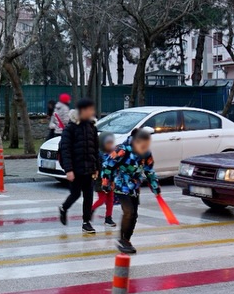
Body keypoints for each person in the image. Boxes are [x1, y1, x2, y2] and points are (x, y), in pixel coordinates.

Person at [100, 126, 160, 254]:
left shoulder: (146, 153)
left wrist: (155, 186)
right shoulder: (122, 150)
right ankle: (122, 240)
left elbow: (149, 170)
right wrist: (106, 182)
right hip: (121, 185)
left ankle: (126, 240)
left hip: (134, 187)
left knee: (134, 215)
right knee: (129, 212)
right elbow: (108, 165)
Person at [57, 97, 100, 234]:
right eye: (89, 109)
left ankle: (86, 222)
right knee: (75, 194)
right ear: (82, 111)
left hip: (89, 169)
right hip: (76, 169)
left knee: (89, 196)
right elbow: (65, 150)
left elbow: (95, 149)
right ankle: (64, 208)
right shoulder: (70, 128)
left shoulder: (92, 127)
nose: (92, 112)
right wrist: (69, 170)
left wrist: (97, 167)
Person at [90, 133, 119, 227]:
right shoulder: (98, 153)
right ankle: (90, 211)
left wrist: (114, 179)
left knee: (110, 199)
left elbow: (115, 166)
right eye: (108, 143)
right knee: (102, 199)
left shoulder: (113, 152)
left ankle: (108, 218)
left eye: (111, 143)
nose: (110, 145)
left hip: (111, 178)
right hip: (100, 179)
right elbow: (95, 164)